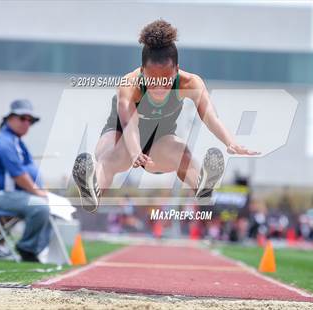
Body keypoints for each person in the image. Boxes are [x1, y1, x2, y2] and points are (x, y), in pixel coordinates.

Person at [73, 19, 260, 213]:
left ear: (177, 70)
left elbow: (211, 117)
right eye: (152, 80)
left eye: (166, 80)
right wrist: (136, 152)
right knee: (106, 154)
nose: (159, 87)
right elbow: (130, 125)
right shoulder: (129, 85)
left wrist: (230, 142)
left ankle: (202, 187)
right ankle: (93, 191)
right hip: (122, 132)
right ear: (142, 71)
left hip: (160, 139)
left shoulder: (190, 83)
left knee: (183, 153)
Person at [0, 99, 51, 262]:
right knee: (40, 207)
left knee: (48, 205)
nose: (27, 123)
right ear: (10, 118)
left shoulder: (15, 141)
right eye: (22, 118)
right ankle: (28, 248)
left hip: (8, 194)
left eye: (30, 120)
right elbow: (18, 175)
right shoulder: (6, 142)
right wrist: (38, 192)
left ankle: (39, 249)